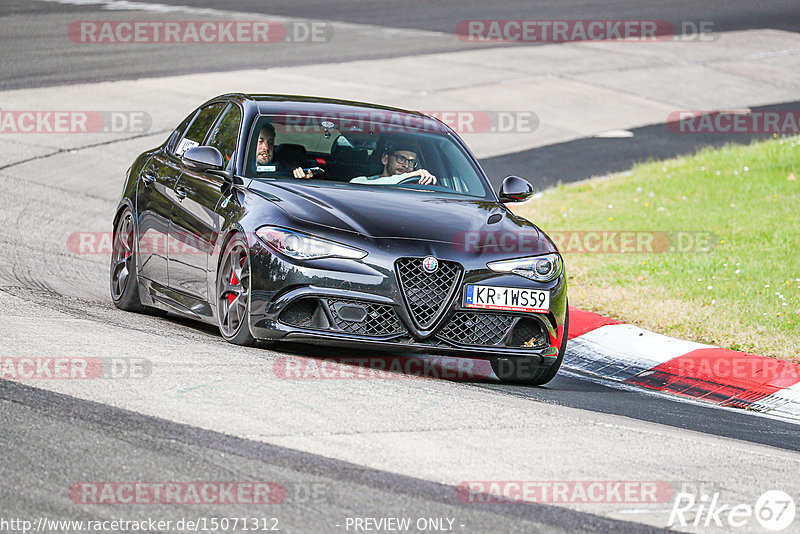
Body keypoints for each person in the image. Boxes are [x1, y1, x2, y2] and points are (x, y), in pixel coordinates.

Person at [350, 143, 436, 185]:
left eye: (411, 162)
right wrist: (406, 177)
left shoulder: (414, 186)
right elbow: (355, 184)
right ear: (385, 159)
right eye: (401, 159)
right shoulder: (364, 181)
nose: (406, 165)